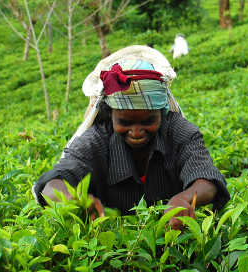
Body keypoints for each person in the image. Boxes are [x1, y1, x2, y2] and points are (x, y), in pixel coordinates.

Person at [32, 45, 229, 230]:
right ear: (110, 115)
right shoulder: (97, 138)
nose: (136, 132)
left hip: (174, 241)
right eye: (125, 122)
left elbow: (206, 178)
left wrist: (185, 198)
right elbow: (53, 183)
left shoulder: (178, 130)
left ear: (162, 112)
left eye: (148, 121)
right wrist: (71, 199)